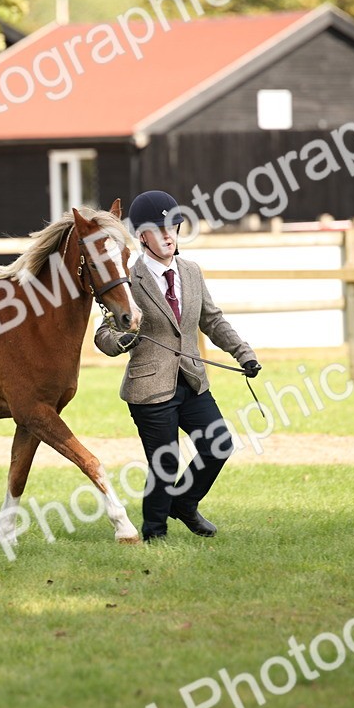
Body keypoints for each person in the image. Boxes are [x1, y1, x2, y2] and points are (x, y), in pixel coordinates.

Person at [94, 190, 260, 542]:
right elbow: (103, 334)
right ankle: (154, 534)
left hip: (192, 381)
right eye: (158, 229)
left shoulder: (191, 272)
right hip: (149, 388)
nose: (168, 235)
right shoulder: (129, 279)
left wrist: (243, 353)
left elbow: (212, 320)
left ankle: (184, 504)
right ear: (142, 236)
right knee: (165, 463)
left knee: (219, 445)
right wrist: (122, 341)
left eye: (173, 226)